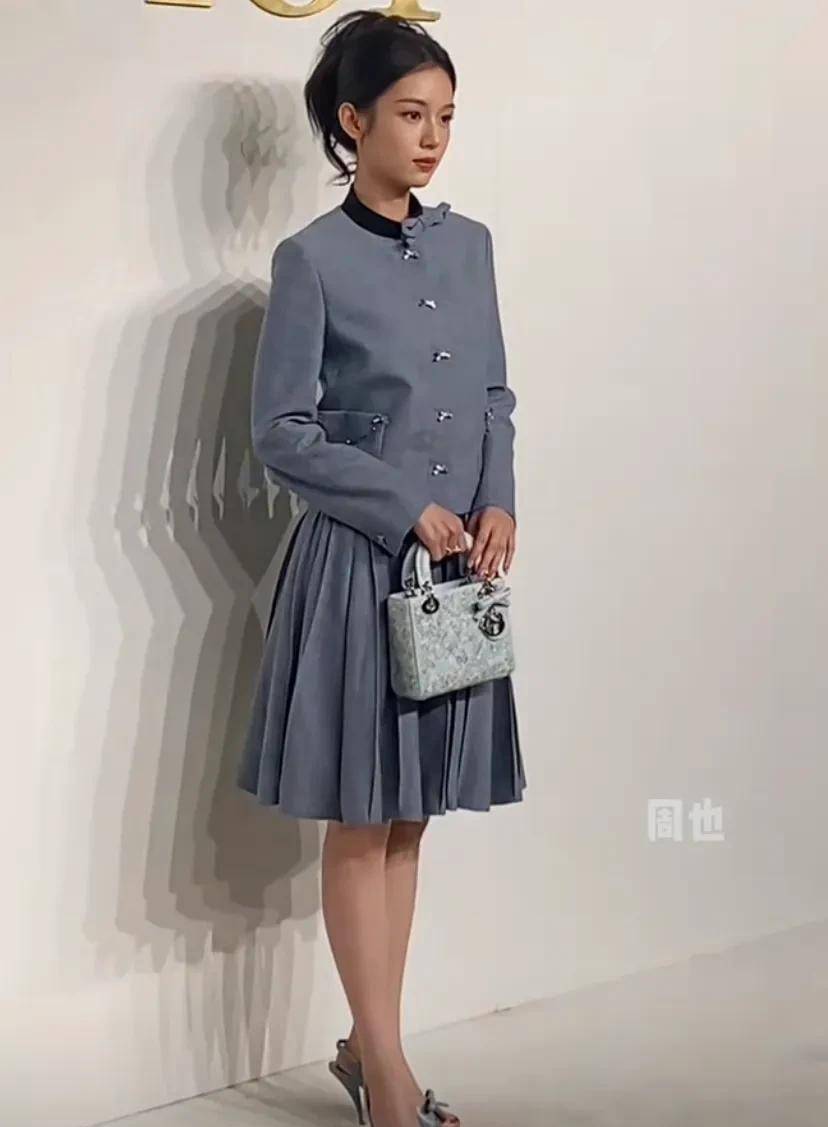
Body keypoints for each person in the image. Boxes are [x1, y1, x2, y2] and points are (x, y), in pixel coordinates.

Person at [237, 10, 527, 1127]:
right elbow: (282, 432)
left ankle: (372, 1044)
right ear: (353, 122)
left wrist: (499, 497)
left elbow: (494, 395)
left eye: (446, 116)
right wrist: (405, 504)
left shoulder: (472, 246)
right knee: (364, 816)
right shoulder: (311, 260)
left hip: (453, 578)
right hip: (359, 571)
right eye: (411, 115)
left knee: (412, 815)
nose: (433, 137)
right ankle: (389, 1072)